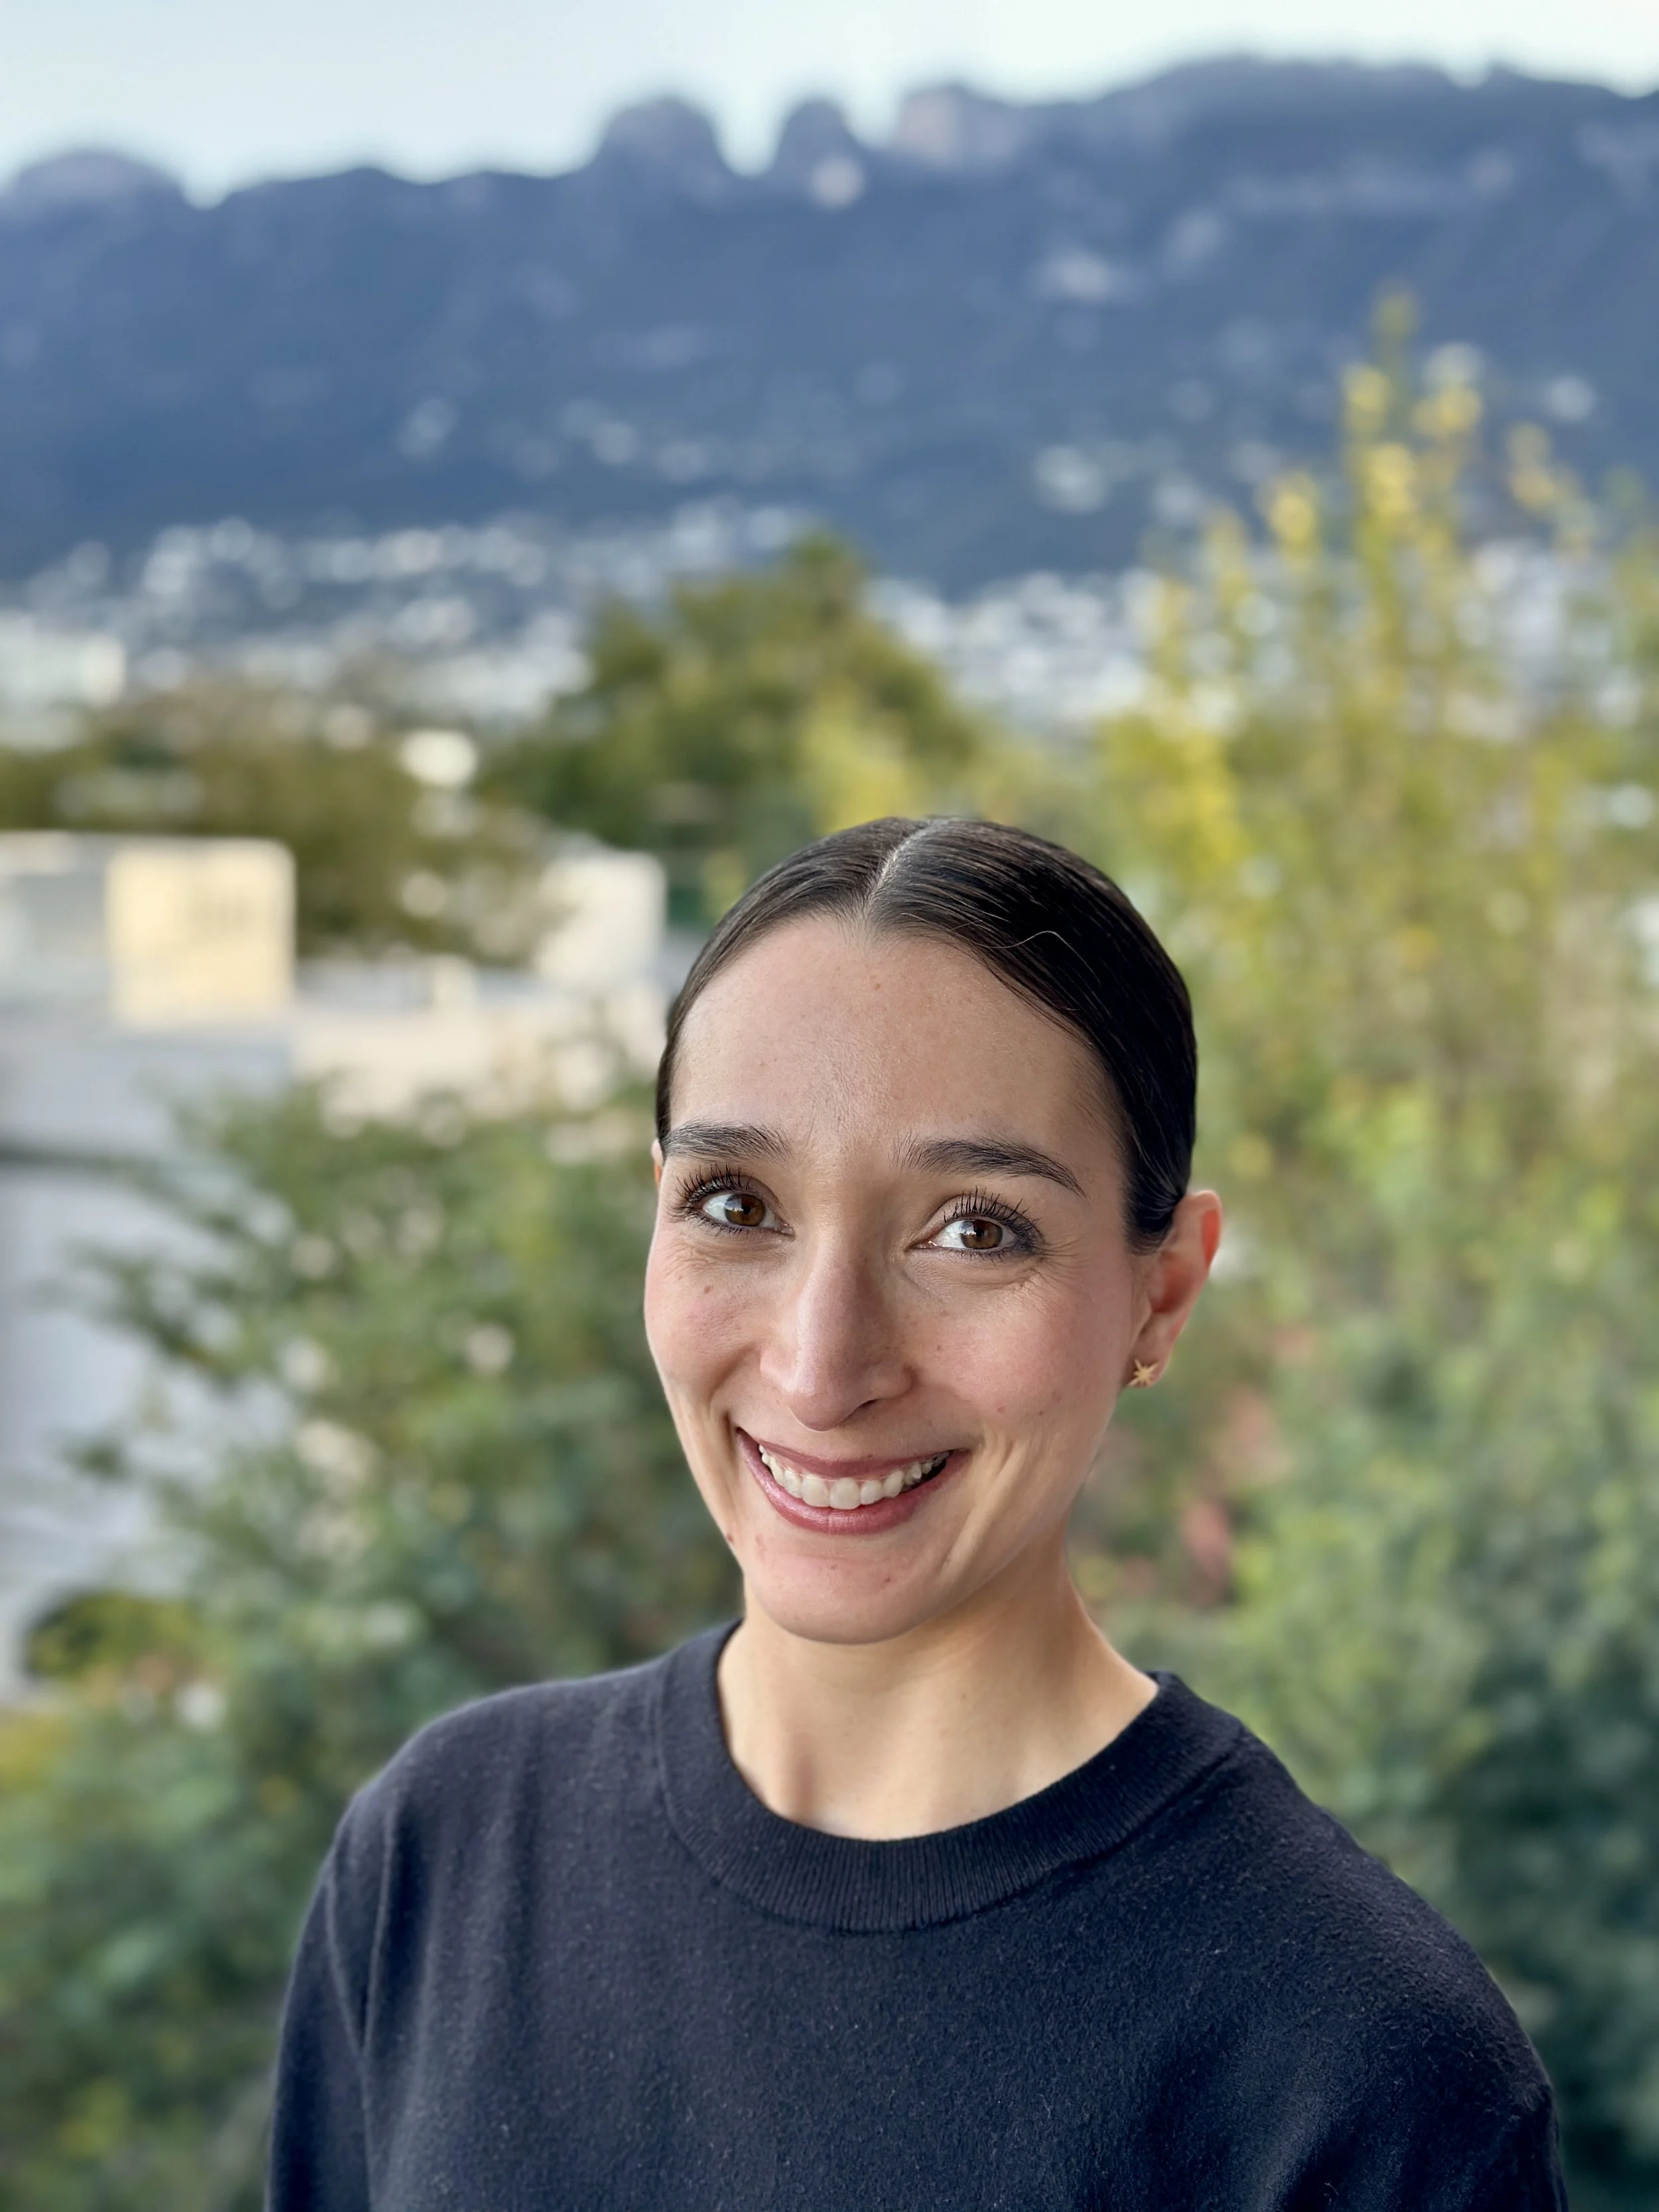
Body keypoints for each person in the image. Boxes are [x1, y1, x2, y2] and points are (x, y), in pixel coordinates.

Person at [268, 816, 1566, 2210]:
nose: (820, 1368)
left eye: (974, 1229)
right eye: (734, 1203)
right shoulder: (445, 1856)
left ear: (1163, 1293)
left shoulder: (1359, 2077)